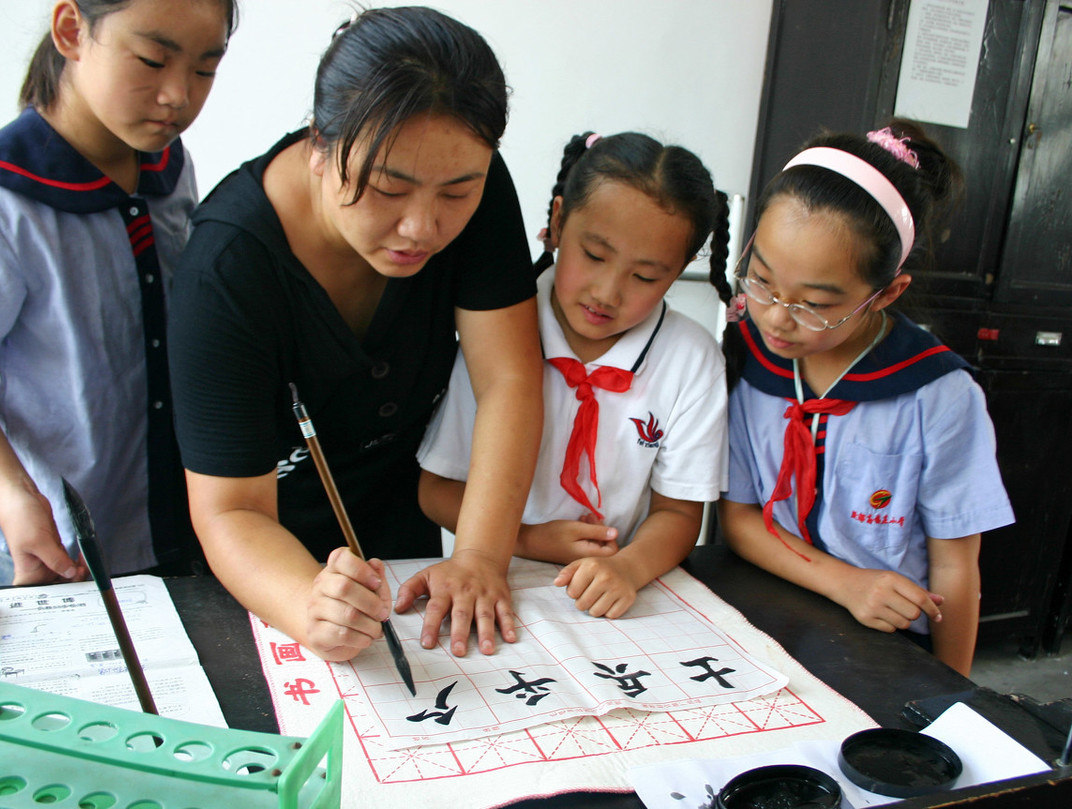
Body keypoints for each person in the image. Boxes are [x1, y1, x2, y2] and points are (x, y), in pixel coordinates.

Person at [167, 7, 543, 662]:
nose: (422, 227)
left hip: (405, 533)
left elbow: (508, 377)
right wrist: (304, 603)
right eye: (389, 188)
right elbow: (230, 511)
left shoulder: (473, 184)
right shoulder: (227, 268)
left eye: (457, 193)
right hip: (272, 561)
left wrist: (481, 554)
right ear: (320, 146)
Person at [0, 0, 235, 586]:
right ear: (71, 30)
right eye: (153, 60)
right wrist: (14, 498)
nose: (178, 96)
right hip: (42, 532)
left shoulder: (169, 166)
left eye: (205, 69)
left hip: (156, 520)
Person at [718, 120, 1014, 675]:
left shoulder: (937, 395)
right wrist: (845, 583)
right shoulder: (752, 361)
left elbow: (956, 567)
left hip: (891, 641)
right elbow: (740, 517)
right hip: (775, 612)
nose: (778, 317)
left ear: (888, 292)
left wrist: (952, 695)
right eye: (761, 281)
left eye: (815, 303)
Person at [418, 131, 731, 619]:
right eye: (595, 255)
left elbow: (679, 512)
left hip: (615, 595)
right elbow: (436, 490)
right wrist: (527, 539)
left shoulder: (692, 359)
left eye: (645, 277)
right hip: (495, 576)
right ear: (559, 221)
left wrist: (628, 568)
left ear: (681, 269)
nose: (607, 292)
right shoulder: (499, 333)